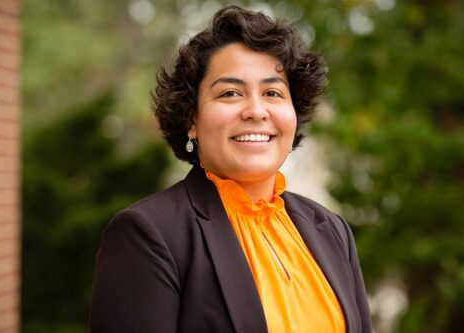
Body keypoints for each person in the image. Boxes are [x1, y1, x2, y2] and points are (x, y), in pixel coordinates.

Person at [89, 5, 372, 333]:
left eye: (272, 92)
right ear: (191, 119)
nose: (256, 110)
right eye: (230, 93)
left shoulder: (331, 228)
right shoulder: (149, 234)